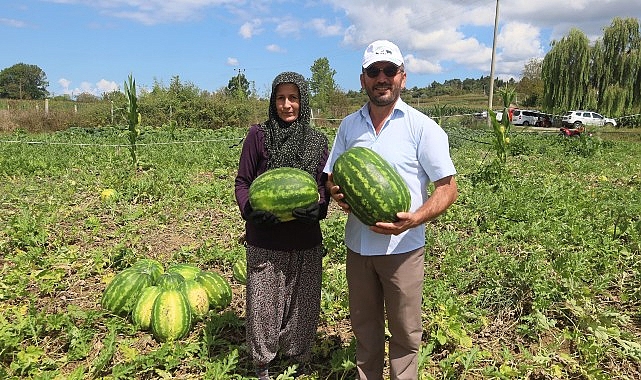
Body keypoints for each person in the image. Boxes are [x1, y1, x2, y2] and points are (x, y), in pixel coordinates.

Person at [324, 40, 458, 380]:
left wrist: (416, 218)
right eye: (373, 72)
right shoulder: (348, 126)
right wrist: (337, 193)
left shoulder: (423, 127)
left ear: (402, 77)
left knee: (405, 336)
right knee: (365, 334)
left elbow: (448, 188)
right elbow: (331, 175)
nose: (381, 78)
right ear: (363, 79)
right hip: (358, 247)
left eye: (388, 71)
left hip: (404, 250)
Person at [234, 71, 330, 380]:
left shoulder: (317, 141)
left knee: (304, 304)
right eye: (280, 98)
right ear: (273, 101)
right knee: (263, 305)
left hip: (306, 238)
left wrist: (319, 208)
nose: (287, 105)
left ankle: (296, 359)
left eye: (294, 98)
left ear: (303, 101)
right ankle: (263, 363)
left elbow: (324, 185)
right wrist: (250, 210)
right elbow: (243, 182)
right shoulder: (258, 135)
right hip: (265, 238)